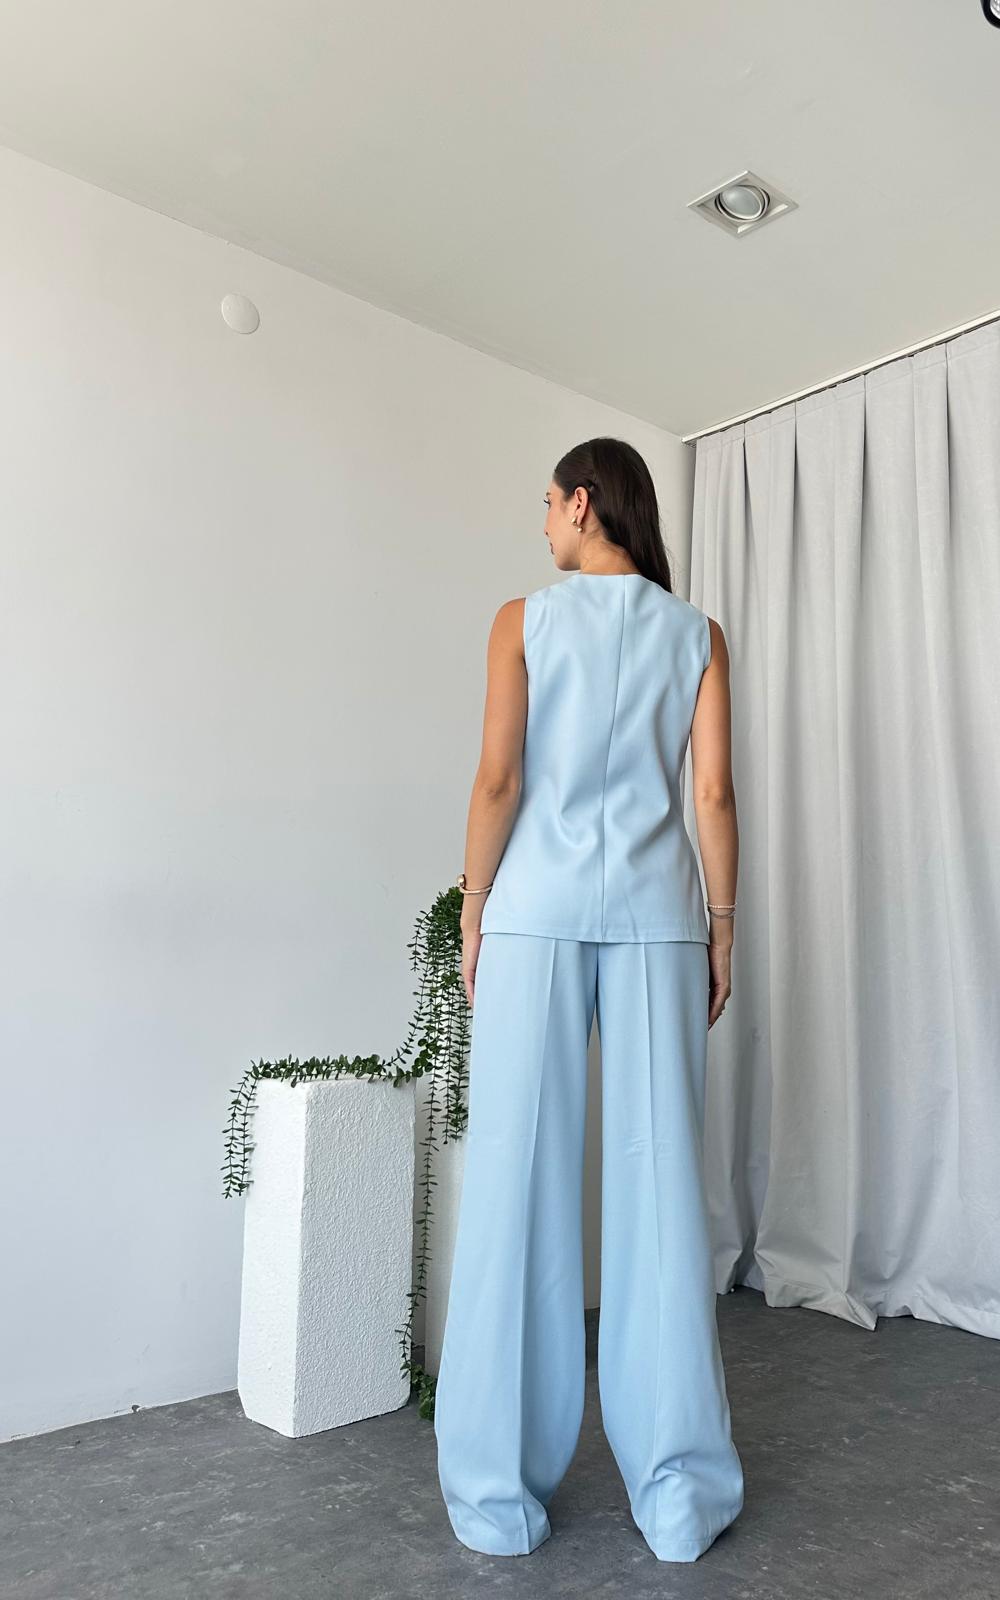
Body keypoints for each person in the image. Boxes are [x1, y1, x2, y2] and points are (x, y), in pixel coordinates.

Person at [434, 436, 744, 1563]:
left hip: (536, 914)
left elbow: (499, 780)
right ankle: (679, 1495)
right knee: (661, 1192)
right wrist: (722, 926)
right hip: (659, 917)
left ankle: (497, 1496)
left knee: (516, 1183)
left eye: (547, 505)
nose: (543, 525)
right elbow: (712, 793)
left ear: (580, 504)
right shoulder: (696, 633)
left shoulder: (522, 620)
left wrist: (472, 910)